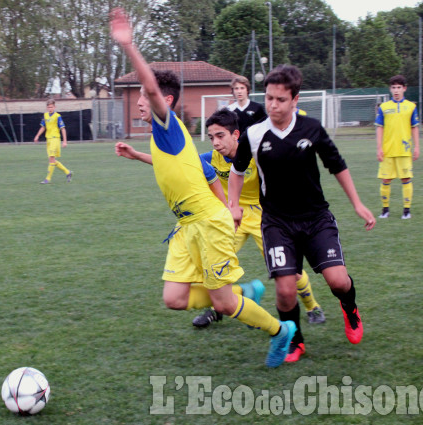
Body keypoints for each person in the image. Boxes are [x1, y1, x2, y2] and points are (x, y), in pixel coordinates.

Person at [110, 8, 295, 368]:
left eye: (145, 98)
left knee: (223, 304)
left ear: (165, 102)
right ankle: (243, 293)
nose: (140, 102)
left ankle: (279, 331)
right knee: (174, 299)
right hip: (187, 228)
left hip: (208, 225)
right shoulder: (162, 139)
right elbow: (199, 167)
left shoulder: (167, 123)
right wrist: (137, 157)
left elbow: (150, 86)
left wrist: (130, 46)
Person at [228, 64, 376, 363]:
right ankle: (295, 341)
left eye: (280, 100)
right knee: (285, 290)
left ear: (295, 100)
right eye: (269, 98)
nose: (272, 105)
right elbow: (237, 170)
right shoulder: (254, 134)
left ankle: (350, 307)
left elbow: (337, 165)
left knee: (338, 281)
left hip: (316, 218)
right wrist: (234, 205)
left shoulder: (312, 129)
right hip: (277, 222)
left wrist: (358, 204)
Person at [192, 109, 327, 332]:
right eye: (211, 137)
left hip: (264, 217)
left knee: (290, 271)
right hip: (232, 217)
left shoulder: (257, 153)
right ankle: (219, 306)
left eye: (220, 136)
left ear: (236, 135)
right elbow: (182, 164)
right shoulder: (211, 158)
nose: (215, 143)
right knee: (213, 264)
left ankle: (313, 307)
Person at [375, 75, 420, 219]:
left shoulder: (411, 107)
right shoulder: (384, 107)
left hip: (404, 150)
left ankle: (406, 211)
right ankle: (385, 210)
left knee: (406, 179)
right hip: (387, 151)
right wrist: (379, 148)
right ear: (390, 89)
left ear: (404, 89)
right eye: (393, 87)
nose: (396, 90)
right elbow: (379, 128)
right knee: (385, 180)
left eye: (399, 87)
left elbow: (414, 128)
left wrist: (417, 147)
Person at [34, 99, 73, 184]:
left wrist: (65, 141)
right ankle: (68, 172)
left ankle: (47, 179)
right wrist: (37, 135)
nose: (50, 108)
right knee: (52, 161)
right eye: (48, 107)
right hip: (48, 139)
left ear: (54, 107)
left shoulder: (57, 116)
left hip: (55, 139)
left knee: (51, 159)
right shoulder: (45, 116)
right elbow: (43, 127)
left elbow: (63, 129)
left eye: (51, 107)